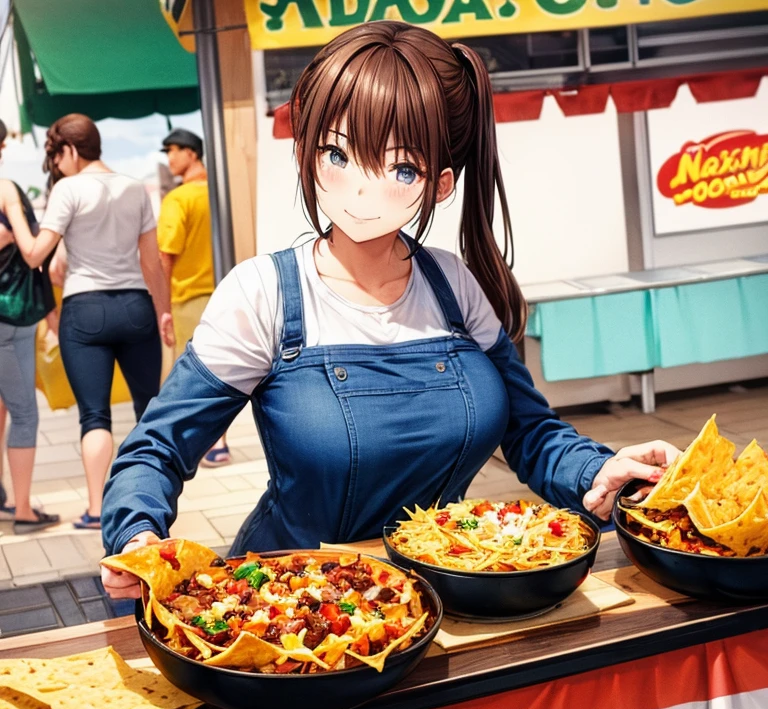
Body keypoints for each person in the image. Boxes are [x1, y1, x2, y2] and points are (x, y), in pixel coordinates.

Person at [101, 21, 680, 599]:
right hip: (289, 610)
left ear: (440, 184)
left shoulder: (454, 284)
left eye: (401, 168)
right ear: (304, 152)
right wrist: (137, 533)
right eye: (338, 154)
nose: (362, 188)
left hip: (442, 596)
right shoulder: (263, 293)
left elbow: (531, 433)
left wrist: (597, 471)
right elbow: (158, 446)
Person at [1, 113, 174, 532]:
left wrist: (16, 216)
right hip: (136, 308)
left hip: (86, 311)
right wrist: (163, 312)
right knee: (148, 411)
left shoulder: (67, 190)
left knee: (94, 417)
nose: (56, 166)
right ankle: (153, 505)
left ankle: (98, 510)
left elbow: (36, 256)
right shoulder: (134, 188)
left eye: (57, 157)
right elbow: (151, 263)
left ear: (72, 151)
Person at [0, 118, 61, 532]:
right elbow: (30, 250)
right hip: (10, 314)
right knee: (24, 414)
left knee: (2, 408)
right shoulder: (5, 187)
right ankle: (23, 510)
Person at [157, 128, 229, 467]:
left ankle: (205, 445)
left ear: (193, 154)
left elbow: (165, 256)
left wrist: (163, 304)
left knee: (193, 375)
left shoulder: (178, 199)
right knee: (223, 369)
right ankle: (220, 443)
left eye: (174, 150)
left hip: (188, 297)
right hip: (226, 291)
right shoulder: (219, 193)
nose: (170, 157)